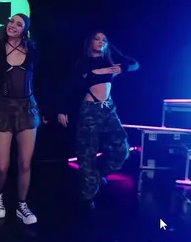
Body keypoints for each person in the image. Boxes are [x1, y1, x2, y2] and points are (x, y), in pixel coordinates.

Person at [58, 31, 139, 206]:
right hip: (90, 110)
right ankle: (87, 195)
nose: (101, 42)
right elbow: (69, 86)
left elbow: (134, 64)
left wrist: (122, 68)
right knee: (87, 152)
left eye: (104, 40)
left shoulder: (109, 60)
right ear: (90, 42)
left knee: (122, 150)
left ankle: (96, 174)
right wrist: (62, 110)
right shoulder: (83, 63)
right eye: (97, 39)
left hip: (109, 109)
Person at [0, 13, 43, 225]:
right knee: (2, 165)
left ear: (25, 30)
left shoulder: (32, 50)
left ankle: (22, 205)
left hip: (28, 108)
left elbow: (42, 80)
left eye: (19, 24)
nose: (13, 25)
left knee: (25, 163)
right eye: (11, 21)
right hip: (3, 108)